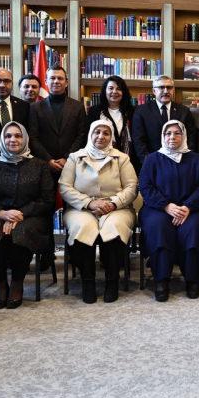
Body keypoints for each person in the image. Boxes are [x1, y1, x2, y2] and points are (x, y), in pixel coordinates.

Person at [0, 120, 54, 309]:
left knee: (21, 233)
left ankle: (17, 283)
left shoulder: (39, 165)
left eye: (18, 135)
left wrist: (20, 214)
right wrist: (1, 213)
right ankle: (1, 285)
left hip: (31, 216)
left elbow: (47, 199)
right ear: (2, 139)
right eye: (8, 136)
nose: (13, 139)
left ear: (25, 139)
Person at [60, 117, 138, 304]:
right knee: (83, 228)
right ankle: (88, 282)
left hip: (116, 208)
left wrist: (113, 203)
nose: (101, 136)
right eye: (97, 132)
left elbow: (132, 187)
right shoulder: (75, 157)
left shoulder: (122, 158)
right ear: (90, 134)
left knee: (114, 227)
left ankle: (112, 282)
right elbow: (65, 187)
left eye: (106, 133)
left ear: (111, 137)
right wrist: (89, 203)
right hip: (82, 208)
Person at [138, 120, 199, 302]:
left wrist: (187, 206)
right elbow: (146, 187)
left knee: (193, 228)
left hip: (190, 209)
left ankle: (192, 280)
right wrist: (166, 206)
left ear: (183, 136)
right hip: (158, 208)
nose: (172, 137)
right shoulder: (152, 159)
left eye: (177, 133)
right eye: (168, 133)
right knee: (159, 227)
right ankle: (161, 280)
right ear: (163, 136)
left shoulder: (195, 159)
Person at [28, 66, 87, 175]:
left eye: (60, 78)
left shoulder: (78, 107)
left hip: (72, 164)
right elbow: (33, 137)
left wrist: (67, 158)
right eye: (52, 78)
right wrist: (48, 160)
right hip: (44, 165)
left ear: (66, 82)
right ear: (46, 81)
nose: (56, 81)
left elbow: (82, 135)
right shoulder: (35, 107)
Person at [131, 75, 197, 163]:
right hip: (151, 162)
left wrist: (185, 160)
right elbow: (138, 141)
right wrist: (148, 162)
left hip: (180, 162)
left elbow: (191, 138)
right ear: (154, 91)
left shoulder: (184, 111)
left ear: (173, 90)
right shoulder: (141, 111)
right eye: (161, 87)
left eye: (169, 88)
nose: (166, 91)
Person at [84, 74, 136, 167]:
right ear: (105, 91)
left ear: (124, 92)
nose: (114, 91)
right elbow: (89, 136)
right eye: (111, 88)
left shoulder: (132, 112)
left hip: (128, 161)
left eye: (118, 89)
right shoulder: (95, 111)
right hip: (100, 161)